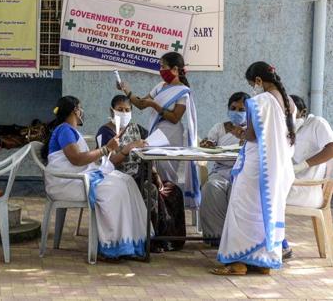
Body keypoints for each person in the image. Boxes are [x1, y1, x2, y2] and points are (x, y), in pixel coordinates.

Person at [212, 61, 295, 275]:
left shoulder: (260, 101)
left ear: (258, 81)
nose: (253, 89)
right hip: (276, 168)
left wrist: (240, 133)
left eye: (252, 84)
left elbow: (252, 135)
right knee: (263, 210)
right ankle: (261, 261)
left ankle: (238, 262)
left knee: (242, 210)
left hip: (256, 166)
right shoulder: (290, 103)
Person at [42, 96, 148, 260]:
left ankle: (134, 241)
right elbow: (76, 159)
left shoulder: (70, 131)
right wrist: (106, 149)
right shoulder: (64, 130)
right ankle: (112, 247)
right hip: (68, 183)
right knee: (115, 190)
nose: (82, 112)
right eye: (80, 108)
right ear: (75, 111)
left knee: (126, 181)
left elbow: (82, 160)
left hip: (77, 179)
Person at [95, 94, 185, 252]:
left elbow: (151, 151)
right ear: (112, 111)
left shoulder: (137, 129)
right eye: (120, 110)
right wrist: (128, 148)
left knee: (173, 190)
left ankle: (171, 239)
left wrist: (156, 174)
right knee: (149, 190)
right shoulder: (106, 132)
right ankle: (151, 240)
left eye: (127, 110)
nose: (124, 113)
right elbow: (109, 162)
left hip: (145, 172)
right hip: (120, 177)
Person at [119, 52, 200, 208]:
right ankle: (157, 210)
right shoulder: (159, 86)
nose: (160, 70)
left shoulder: (183, 91)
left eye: (163, 67)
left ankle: (170, 209)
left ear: (175, 69)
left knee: (167, 172)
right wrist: (127, 91)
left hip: (171, 133)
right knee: (153, 168)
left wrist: (155, 105)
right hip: (158, 131)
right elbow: (142, 104)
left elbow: (175, 117)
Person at [282, 94, 333, 257]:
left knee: (261, 197)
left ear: (302, 112)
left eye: (290, 113)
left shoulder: (316, 123)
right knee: (249, 190)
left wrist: (302, 166)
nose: (287, 117)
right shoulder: (285, 129)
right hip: (289, 186)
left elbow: (331, 148)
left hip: (307, 190)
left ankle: (280, 246)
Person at [199, 92, 250, 242]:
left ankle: (238, 238)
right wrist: (208, 144)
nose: (237, 113)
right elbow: (209, 144)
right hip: (220, 171)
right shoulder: (219, 128)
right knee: (211, 187)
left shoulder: (252, 131)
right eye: (233, 108)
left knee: (239, 189)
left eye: (242, 110)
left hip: (243, 171)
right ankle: (216, 236)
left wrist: (244, 137)